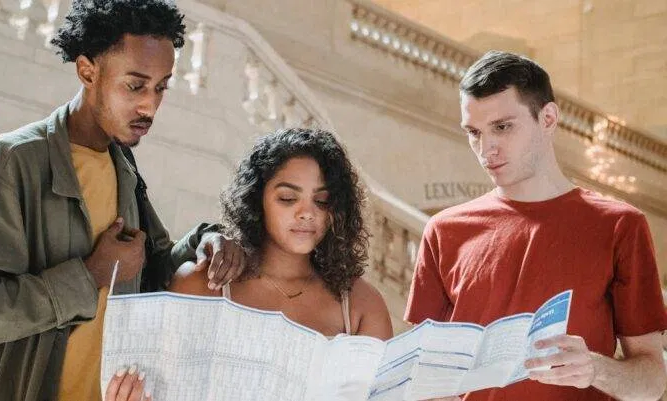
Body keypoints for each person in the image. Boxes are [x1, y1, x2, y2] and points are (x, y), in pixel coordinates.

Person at [0, 1, 245, 400]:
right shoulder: (10, 164)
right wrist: (88, 275)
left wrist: (206, 242)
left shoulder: (122, 165)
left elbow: (152, 266)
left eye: (161, 86)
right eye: (135, 85)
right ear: (88, 71)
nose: (151, 105)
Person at [406, 50, 667, 401]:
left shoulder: (620, 226)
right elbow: (423, 375)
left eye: (502, 127)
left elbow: (652, 382)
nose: (486, 150)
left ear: (547, 118)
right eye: (474, 132)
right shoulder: (443, 231)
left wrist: (594, 368)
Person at [172, 128, 392, 339]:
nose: (307, 213)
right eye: (288, 198)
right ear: (256, 200)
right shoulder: (201, 285)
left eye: (321, 201)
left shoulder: (362, 305)